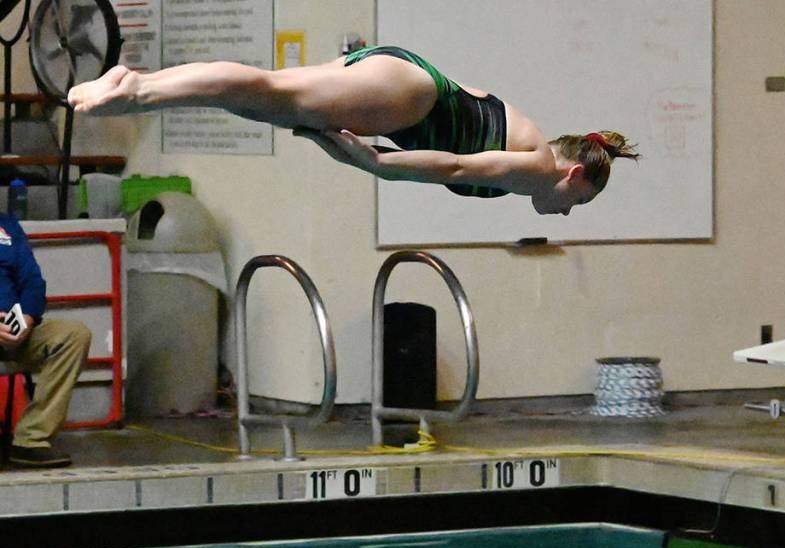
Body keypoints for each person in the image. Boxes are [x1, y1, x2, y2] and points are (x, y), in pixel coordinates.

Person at [67, 46, 640, 214]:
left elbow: (476, 104)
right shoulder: (537, 167)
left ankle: (141, 88)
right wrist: (374, 164)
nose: (565, 211)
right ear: (570, 172)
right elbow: (458, 166)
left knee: (264, 102)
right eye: (576, 200)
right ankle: (138, 90)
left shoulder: (530, 135)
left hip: (409, 85)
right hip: (413, 98)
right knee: (271, 93)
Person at [0, 212, 91, 468]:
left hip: (15, 327)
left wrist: (27, 317)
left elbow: (33, 282)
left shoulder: (7, 227)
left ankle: (31, 439)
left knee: (74, 335)